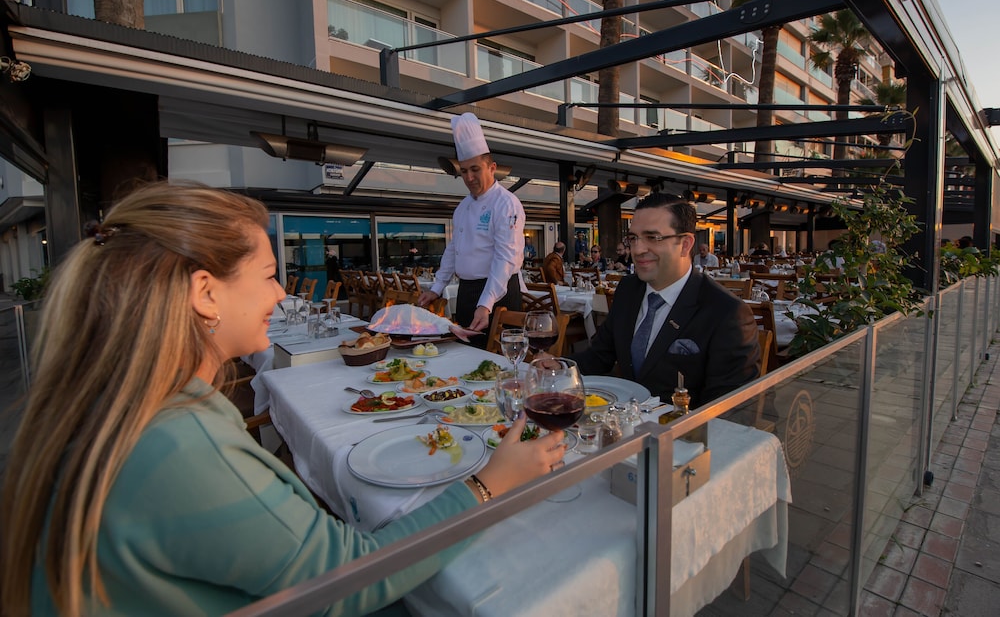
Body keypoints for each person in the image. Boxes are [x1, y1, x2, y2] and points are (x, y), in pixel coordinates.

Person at [0, 181, 564, 617]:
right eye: (270, 275)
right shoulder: (177, 442)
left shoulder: (126, 403)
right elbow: (347, 578)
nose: (279, 293)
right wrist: (487, 484)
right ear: (205, 293)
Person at [570, 193, 760, 409]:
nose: (638, 249)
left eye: (653, 238)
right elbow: (598, 356)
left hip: (685, 428)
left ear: (685, 244)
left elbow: (730, 410)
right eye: (633, 238)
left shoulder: (727, 313)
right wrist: (558, 368)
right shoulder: (628, 290)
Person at [418, 113, 525, 345]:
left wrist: (485, 304)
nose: (469, 177)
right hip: (467, 291)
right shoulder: (463, 207)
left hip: (499, 293)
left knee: (501, 359)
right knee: (466, 355)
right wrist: (437, 288)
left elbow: (505, 258)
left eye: (475, 169)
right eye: (464, 171)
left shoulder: (506, 203)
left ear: (492, 168)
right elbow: (453, 249)